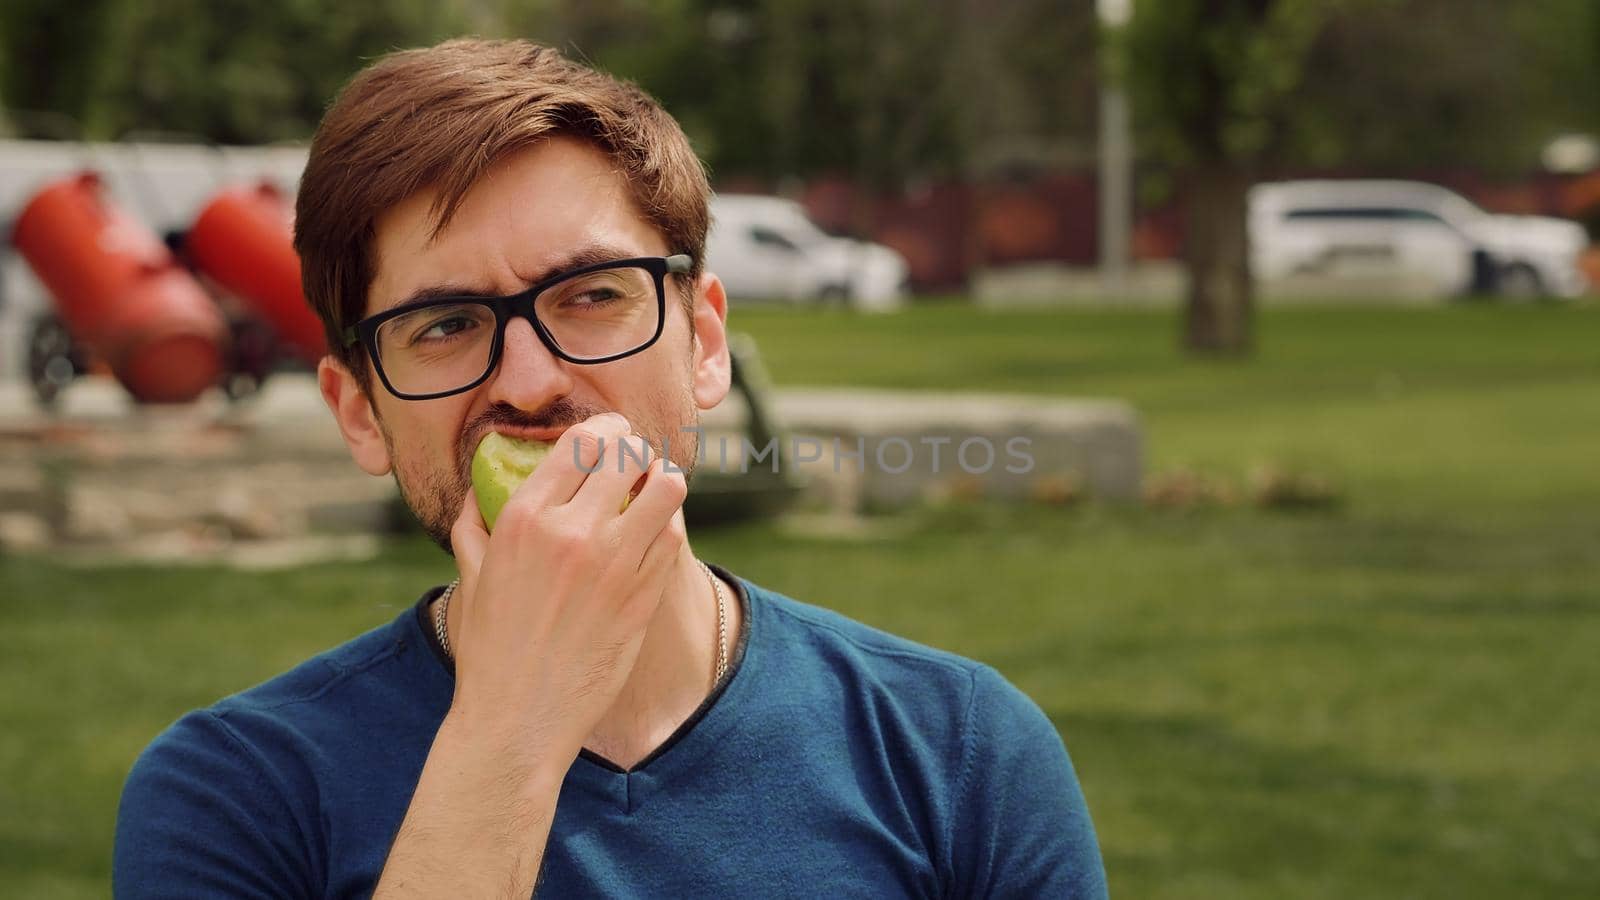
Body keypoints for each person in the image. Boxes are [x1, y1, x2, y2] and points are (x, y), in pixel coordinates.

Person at [112, 38, 1107, 898]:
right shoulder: (234, 795)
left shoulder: (960, 753)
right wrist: (514, 725)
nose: (533, 382)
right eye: (447, 324)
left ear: (703, 343)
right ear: (360, 412)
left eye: (591, 295)